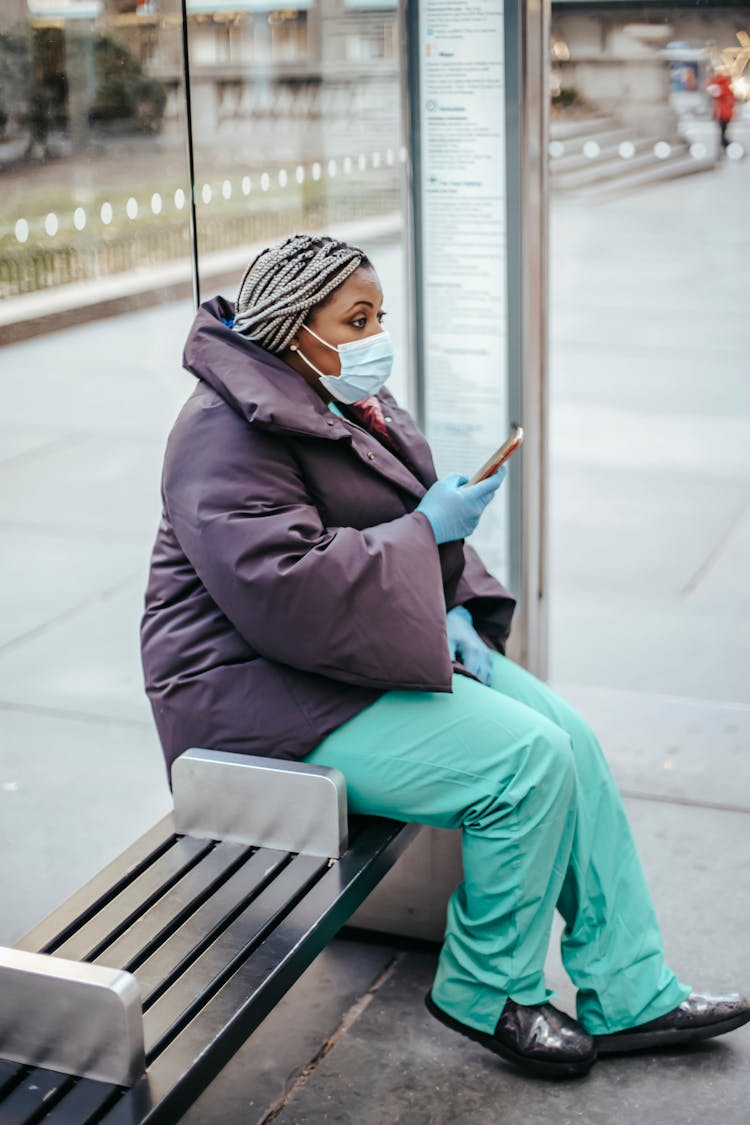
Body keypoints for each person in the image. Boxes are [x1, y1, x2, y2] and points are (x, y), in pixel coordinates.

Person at [141, 233, 750, 1080]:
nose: (373, 337)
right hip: (252, 694)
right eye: (356, 319)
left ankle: (630, 986)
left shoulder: (343, 398)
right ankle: (486, 988)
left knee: (568, 735)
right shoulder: (221, 434)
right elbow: (287, 591)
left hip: (339, 660)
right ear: (291, 325)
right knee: (525, 762)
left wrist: (456, 603)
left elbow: (410, 524)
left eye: (378, 316)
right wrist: (427, 535)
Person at [706, 67, 735, 153]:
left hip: (722, 114)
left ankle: (726, 145)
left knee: (722, 133)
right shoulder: (728, 89)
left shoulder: (721, 88)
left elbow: (711, 89)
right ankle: (725, 146)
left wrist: (712, 80)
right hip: (727, 114)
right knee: (723, 132)